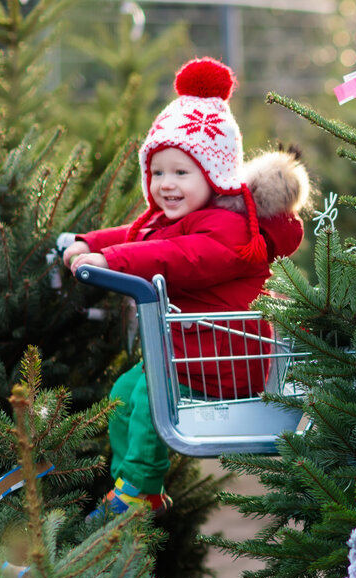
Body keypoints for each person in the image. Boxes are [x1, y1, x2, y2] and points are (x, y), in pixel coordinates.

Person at [64, 57, 309, 518]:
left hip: (227, 356)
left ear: (215, 176)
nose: (166, 185)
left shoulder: (229, 232)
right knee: (122, 394)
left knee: (148, 394)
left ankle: (138, 488)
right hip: (186, 352)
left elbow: (177, 257)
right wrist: (88, 243)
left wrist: (108, 261)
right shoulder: (179, 218)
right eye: (158, 172)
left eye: (182, 173)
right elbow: (138, 236)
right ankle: (131, 484)